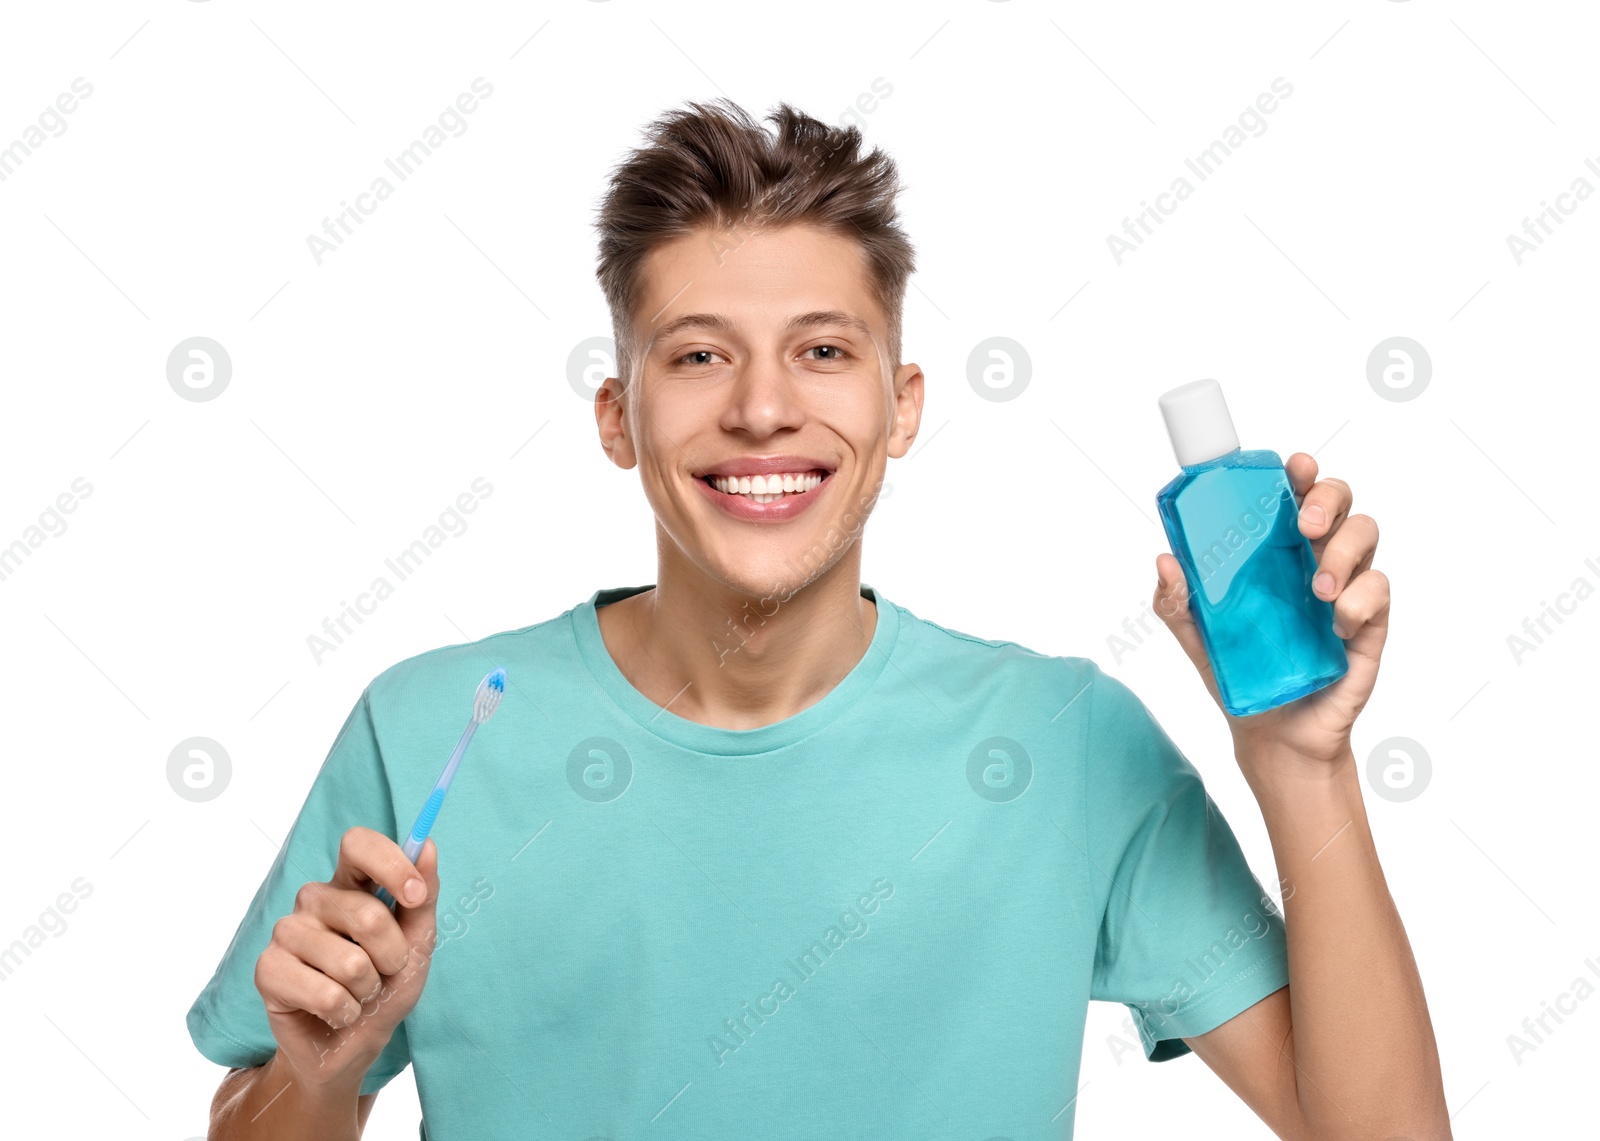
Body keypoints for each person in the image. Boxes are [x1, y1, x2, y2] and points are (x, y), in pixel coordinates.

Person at [189, 97, 1450, 1140]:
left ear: (902, 407)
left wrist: (1301, 769)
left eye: (822, 353)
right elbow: (264, 1101)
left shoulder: (1065, 741)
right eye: (695, 355)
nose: (759, 412)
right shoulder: (429, 731)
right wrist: (317, 1075)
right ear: (615, 417)